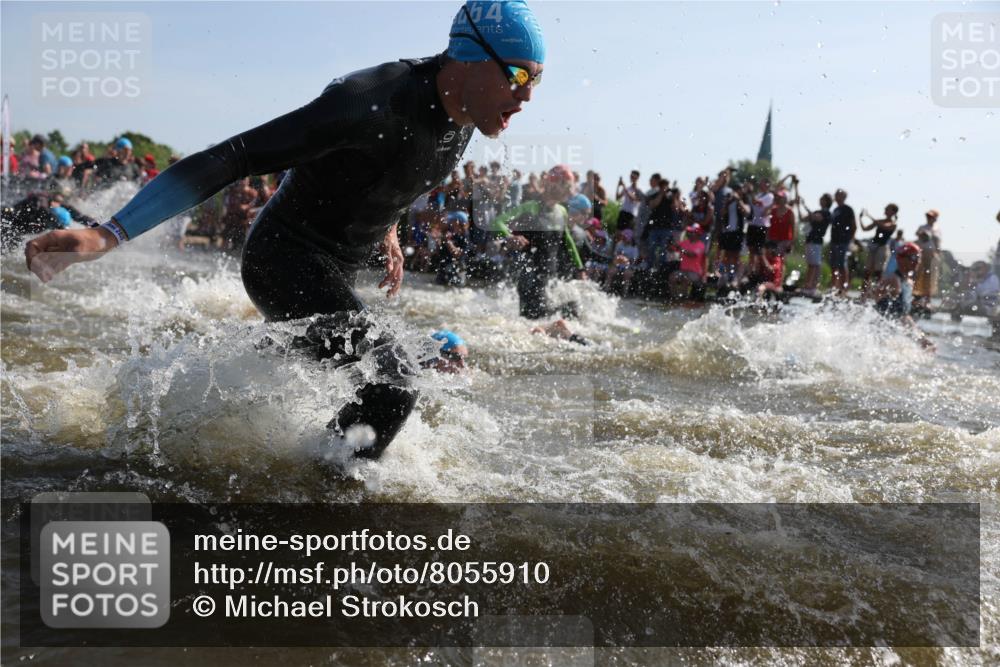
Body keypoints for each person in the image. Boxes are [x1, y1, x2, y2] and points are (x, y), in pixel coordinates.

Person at [25, 0, 546, 460]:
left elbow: (392, 171)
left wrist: (387, 228)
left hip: (337, 272)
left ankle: (190, 415)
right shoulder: (370, 99)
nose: (527, 97)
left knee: (305, 379)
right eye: (519, 77)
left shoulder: (465, 118)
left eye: (537, 81)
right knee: (396, 379)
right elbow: (232, 156)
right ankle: (325, 499)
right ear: (471, 54)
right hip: (284, 258)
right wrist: (107, 234)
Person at [492, 164, 582, 320]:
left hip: (551, 276)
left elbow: (567, 240)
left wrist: (580, 268)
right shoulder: (530, 207)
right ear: (550, 183)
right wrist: (510, 237)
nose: (568, 190)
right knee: (538, 321)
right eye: (564, 185)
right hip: (529, 278)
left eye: (570, 186)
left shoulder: (562, 211)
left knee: (571, 310)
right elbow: (497, 222)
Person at [2, 191, 96, 250]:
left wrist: (95, 225)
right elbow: (44, 210)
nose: (60, 204)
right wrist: (63, 229)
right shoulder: (41, 200)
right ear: (53, 200)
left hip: (21, 230)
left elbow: (79, 216)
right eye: (58, 202)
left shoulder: (60, 205)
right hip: (9, 223)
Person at [859, 203, 899, 300]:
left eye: (887, 209)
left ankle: (877, 293)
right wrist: (860, 218)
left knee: (878, 272)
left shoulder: (893, 224)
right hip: (873, 247)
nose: (885, 209)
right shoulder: (879, 221)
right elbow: (865, 229)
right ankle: (864, 294)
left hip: (883, 248)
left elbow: (884, 226)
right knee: (867, 272)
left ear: (893, 212)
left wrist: (869, 216)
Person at [797, 191, 832, 298]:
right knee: (811, 264)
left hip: (816, 241)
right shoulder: (817, 211)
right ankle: (808, 286)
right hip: (810, 240)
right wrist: (799, 206)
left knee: (814, 265)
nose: (820, 200)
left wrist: (804, 205)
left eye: (822, 199)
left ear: (826, 202)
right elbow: (802, 218)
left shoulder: (827, 213)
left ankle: (811, 287)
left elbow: (816, 217)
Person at [829, 188, 857, 296]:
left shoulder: (848, 209)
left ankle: (843, 288)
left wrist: (851, 241)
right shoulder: (835, 210)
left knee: (842, 264)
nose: (836, 196)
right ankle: (834, 287)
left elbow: (854, 226)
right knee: (833, 265)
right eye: (836, 194)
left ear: (844, 197)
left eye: (839, 195)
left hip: (844, 241)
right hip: (834, 241)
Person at [913, 209, 942, 311]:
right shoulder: (922, 227)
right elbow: (918, 234)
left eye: (931, 217)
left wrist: (937, 254)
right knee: (917, 276)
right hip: (921, 254)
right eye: (928, 216)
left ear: (935, 218)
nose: (929, 218)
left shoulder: (937, 229)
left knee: (929, 279)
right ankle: (915, 300)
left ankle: (927, 302)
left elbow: (938, 245)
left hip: (931, 255)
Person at [668, 224, 706, 300]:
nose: (690, 234)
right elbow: (672, 249)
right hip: (683, 271)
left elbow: (691, 255)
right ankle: (674, 297)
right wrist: (670, 244)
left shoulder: (701, 245)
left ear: (698, 234)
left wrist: (680, 249)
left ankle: (684, 298)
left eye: (692, 232)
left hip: (695, 273)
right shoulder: (685, 242)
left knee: (685, 279)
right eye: (689, 232)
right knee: (672, 277)